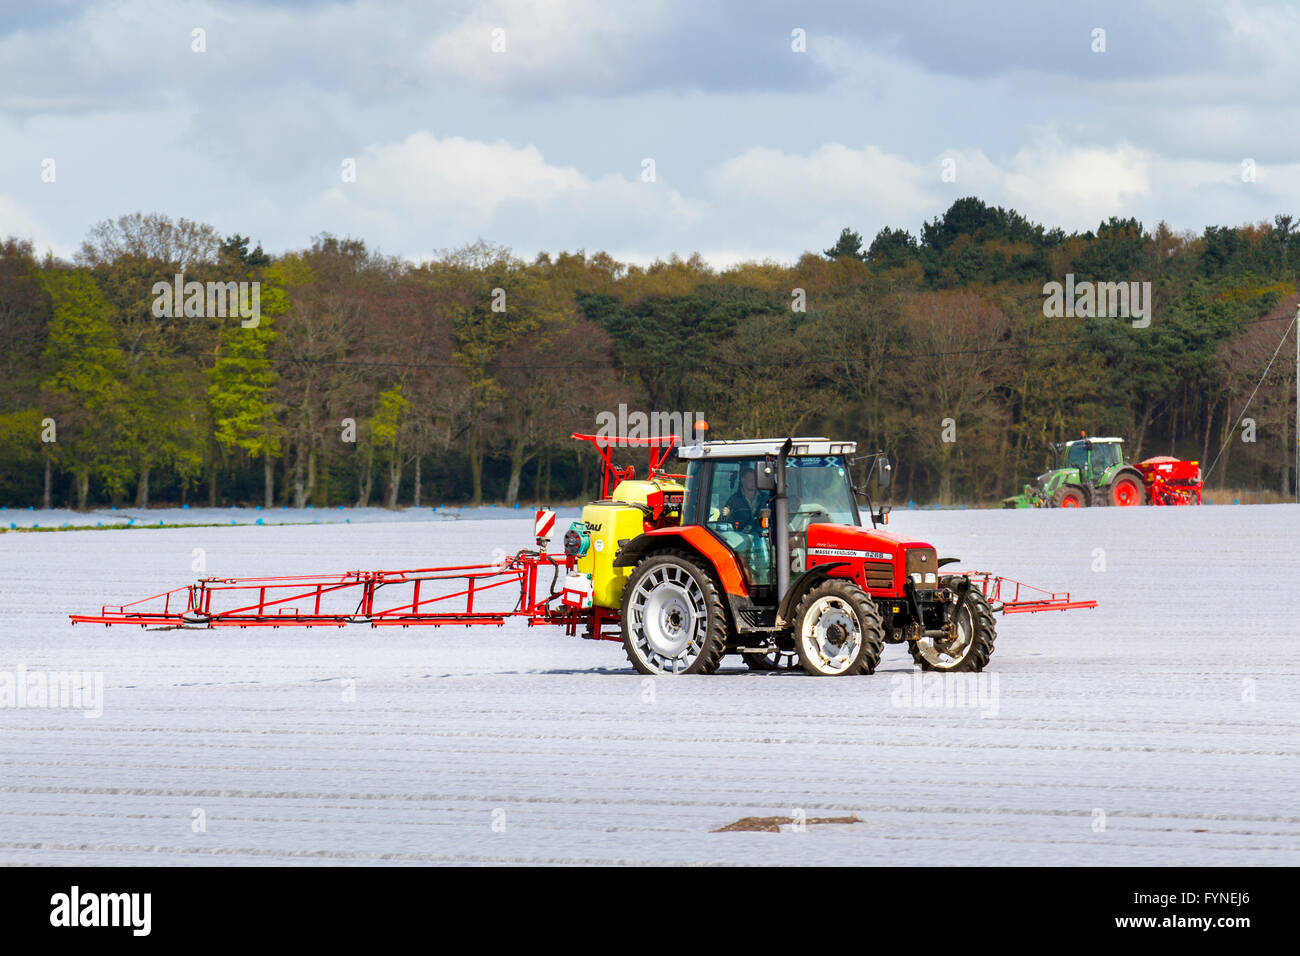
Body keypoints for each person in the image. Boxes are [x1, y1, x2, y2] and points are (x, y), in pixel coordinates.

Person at [721, 466, 768, 533]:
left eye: (755, 480)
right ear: (743, 480)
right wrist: (726, 515)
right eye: (751, 480)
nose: (754, 482)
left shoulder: (765, 498)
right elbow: (724, 523)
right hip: (741, 537)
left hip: (762, 536)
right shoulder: (734, 500)